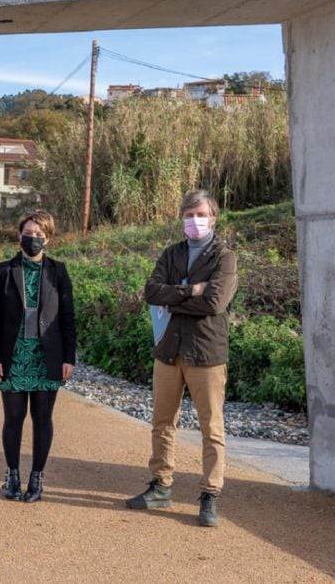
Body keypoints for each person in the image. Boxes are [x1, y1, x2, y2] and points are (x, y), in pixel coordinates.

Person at [126, 189, 237, 527]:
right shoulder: (172, 253)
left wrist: (173, 297)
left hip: (206, 352)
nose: (194, 221)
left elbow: (215, 303)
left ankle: (209, 494)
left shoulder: (225, 257)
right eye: (188, 215)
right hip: (169, 349)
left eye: (200, 214)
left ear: (213, 217)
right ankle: (161, 485)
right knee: (162, 422)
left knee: (211, 427)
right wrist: (191, 290)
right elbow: (151, 292)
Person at [0, 209, 75, 503]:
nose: (33, 238)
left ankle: (37, 477)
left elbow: (68, 317)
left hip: (46, 356)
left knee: (42, 418)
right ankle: (12, 475)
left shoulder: (58, 271)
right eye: (29, 232)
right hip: (14, 355)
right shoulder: (4, 271)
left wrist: (68, 358)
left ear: (48, 238)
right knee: (13, 417)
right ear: (19, 234)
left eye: (39, 234)